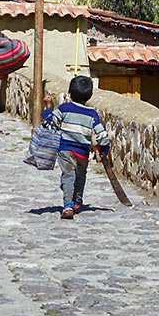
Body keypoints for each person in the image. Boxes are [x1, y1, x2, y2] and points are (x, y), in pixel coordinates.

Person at [41, 76, 110, 220]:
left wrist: (48, 106)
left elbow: (50, 122)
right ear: (89, 96)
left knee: (68, 176)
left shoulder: (64, 108)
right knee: (80, 176)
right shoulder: (92, 114)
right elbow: (103, 135)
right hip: (83, 152)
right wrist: (103, 151)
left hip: (65, 149)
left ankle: (67, 205)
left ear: (70, 93)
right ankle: (77, 200)